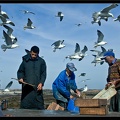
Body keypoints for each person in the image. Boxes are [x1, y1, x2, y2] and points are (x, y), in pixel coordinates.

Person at [17, 46, 47, 110]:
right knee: (25, 108)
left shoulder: (41, 62)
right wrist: (20, 78)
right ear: (30, 52)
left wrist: (41, 83)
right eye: (32, 54)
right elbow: (20, 71)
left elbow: (43, 74)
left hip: (37, 88)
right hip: (26, 88)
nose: (33, 56)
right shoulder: (25, 61)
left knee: (39, 108)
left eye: (35, 55)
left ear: (38, 54)